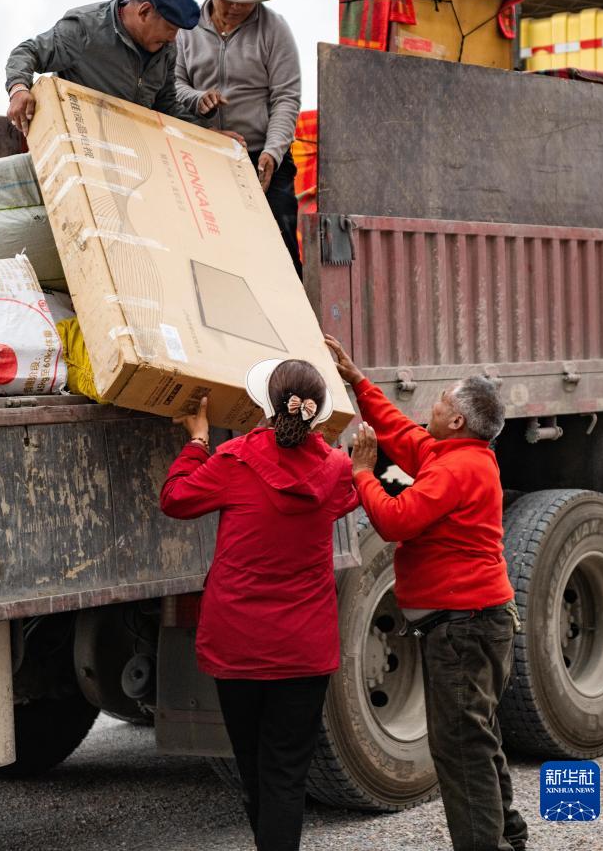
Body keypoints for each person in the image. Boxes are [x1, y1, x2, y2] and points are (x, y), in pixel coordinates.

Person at [325, 334, 528, 851]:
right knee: (475, 736)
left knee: (460, 747)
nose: (431, 406)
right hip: (472, 623)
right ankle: (508, 836)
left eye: (440, 402)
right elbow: (400, 432)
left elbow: (395, 520)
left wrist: (363, 473)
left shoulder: (457, 469)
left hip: (464, 628)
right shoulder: (456, 452)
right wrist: (357, 380)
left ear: (456, 420)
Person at [160, 358, 358, 851]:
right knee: (286, 774)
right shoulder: (336, 469)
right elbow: (355, 495)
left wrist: (197, 441)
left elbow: (175, 499)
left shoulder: (234, 460)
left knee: (252, 767)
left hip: (238, 643)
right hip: (304, 650)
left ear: (266, 404)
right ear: (316, 412)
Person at [175, 0, 303, 277]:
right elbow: (172, 84)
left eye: (244, 1)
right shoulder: (186, 28)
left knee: (280, 248)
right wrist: (197, 99)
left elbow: (286, 97)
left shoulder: (275, 30)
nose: (234, 7)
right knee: (208, 248)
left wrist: (273, 152)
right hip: (201, 154)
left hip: (262, 157)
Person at [5, 0, 242, 141]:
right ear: (144, 11)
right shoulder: (85, 28)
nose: (174, 38)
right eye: (171, 28)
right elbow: (28, 52)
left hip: (132, 151)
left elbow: (167, 105)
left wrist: (207, 134)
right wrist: (18, 88)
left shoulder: (166, 49)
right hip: (77, 141)